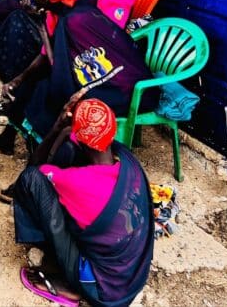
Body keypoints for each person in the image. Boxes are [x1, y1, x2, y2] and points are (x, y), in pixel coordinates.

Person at [0, 0, 155, 152]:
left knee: (46, 92)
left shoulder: (77, 19)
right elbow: (47, 56)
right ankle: (10, 141)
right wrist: (18, 79)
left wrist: (39, 27)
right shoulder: (58, 13)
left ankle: (50, 150)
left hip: (119, 88)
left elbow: (57, 65)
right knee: (31, 82)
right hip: (92, 75)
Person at [14, 98, 154, 307]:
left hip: (102, 289)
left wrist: (56, 128)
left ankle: (70, 285)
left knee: (30, 181)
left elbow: (35, 170)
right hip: (132, 275)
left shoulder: (78, 183)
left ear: (80, 137)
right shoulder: (129, 161)